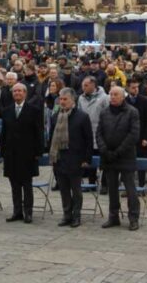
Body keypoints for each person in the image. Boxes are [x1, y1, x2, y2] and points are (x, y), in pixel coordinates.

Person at [97, 86, 140, 231]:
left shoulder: (132, 112)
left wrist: (118, 151)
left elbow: (133, 135)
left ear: (123, 97)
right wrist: (104, 150)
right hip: (109, 156)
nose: (112, 97)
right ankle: (113, 216)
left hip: (125, 156)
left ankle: (133, 218)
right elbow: (99, 133)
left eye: (116, 94)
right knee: (112, 188)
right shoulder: (104, 113)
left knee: (130, 189)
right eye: (111, 94)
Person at [0, 83, 44, 224]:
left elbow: (39, 133)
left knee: (27, 184)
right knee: (14, 184)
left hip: (27, 153)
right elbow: (4, 133)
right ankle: (17, 211)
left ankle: (28, 212)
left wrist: (38, 152)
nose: (17, 93)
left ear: (25, 93)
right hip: (11, 153)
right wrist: (2, 151)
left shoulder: (34, 110)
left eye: (20, 91)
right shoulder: (7, 110)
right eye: (15, 91)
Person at [50, 87, 93, 228]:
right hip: (60, 158)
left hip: (76, 159)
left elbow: (88, 140)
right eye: (60, 99)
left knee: (76, 190)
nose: (62, 102)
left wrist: (86, 159)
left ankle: (76, 215)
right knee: (63, 189)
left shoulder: (82, 116)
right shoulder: (55, 116)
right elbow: (51, 138)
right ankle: (66, 214)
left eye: (65, 99)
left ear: (72, 100)